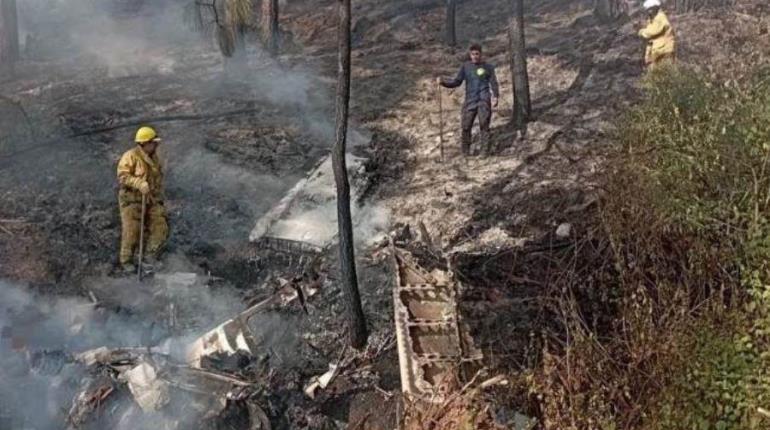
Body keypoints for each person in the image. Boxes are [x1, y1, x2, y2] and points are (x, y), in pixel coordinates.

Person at [117, 126, 168, 273]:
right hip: (131, 200)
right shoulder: (130, 156)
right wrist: (138, 183)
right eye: (153, 143)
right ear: (144, 143)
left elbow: (157, 181)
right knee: (132, 232)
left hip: (150, 199)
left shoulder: (154, 158)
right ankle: (126, 262)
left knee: (160, 227)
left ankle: (148, 257)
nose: (156, 145)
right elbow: (123, 176)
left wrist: (158, 199)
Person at [437, 44, 500, 156]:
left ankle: (484, 152)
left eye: (477, 54)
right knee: (466, 126)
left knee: (484, 125)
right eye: (472, 54)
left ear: (480, 54)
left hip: (483, 100)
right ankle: (465, 152)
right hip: (470, 100)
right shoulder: (466, 67)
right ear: (470, 55)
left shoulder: (488, 67)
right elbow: (457, 81)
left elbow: (493, 82)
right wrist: (443, 82)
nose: (475, 56)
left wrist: (495, 96)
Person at [638, 0, 675, 71]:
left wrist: (642, 32)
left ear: (656, 8)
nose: (649, 11)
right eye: (648, 10)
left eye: (651, 9)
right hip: (657, 51)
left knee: (666, 72)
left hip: (664, 50)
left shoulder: (660, 18)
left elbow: (653, 32)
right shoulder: (652, 20)